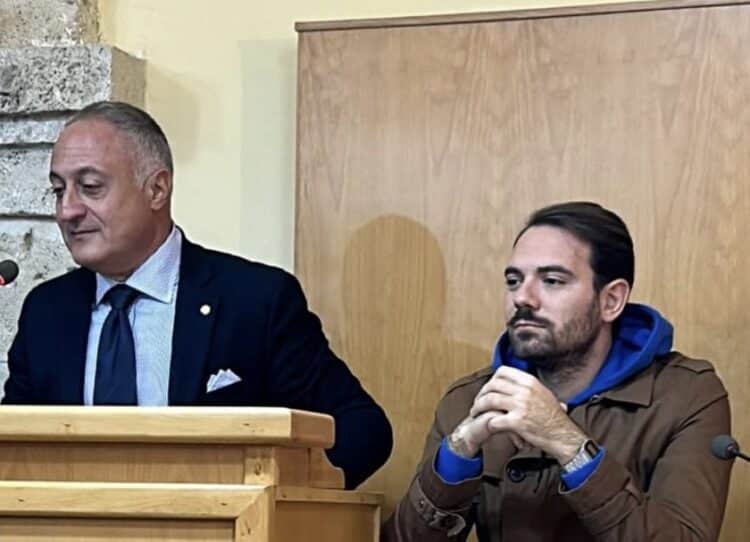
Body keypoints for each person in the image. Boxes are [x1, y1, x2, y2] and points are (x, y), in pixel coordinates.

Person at [2, 100, 392, 489]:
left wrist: (284, 499)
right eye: (58, 190)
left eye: (90, 188)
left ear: (157, 189)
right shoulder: (47, 312)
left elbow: (362, 429)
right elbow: (12, 452)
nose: (67, 210)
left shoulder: (255, 301)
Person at [383, 201, 732, 540]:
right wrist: (457, 455)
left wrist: (567, 443)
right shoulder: (472, 398)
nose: (523, 298)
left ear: (611, 301)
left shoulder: (685, 395)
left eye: (551, 280)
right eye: (514, 280)